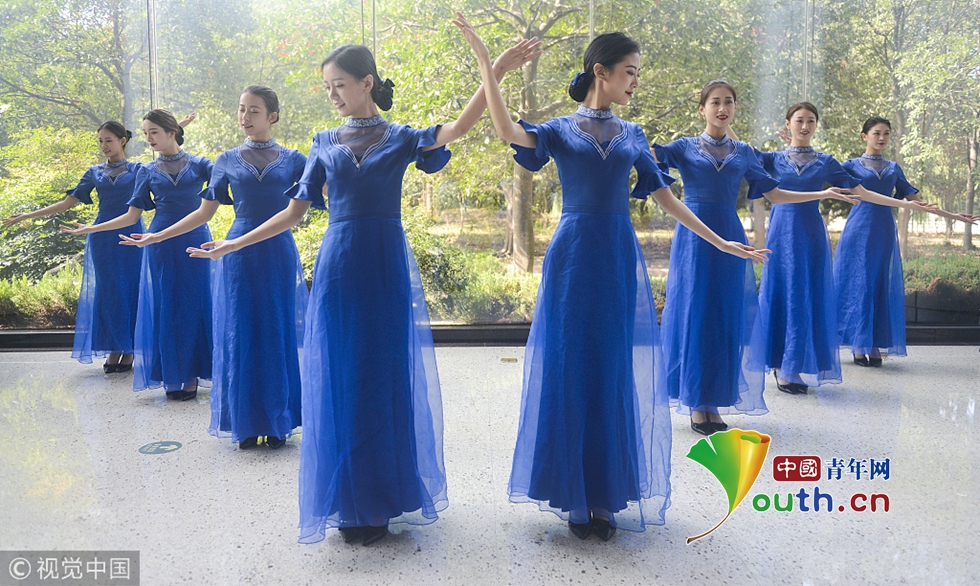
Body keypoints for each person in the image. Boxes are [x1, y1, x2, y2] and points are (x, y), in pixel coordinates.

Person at [188, 39, 542, 545]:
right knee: (342, 374)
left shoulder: (401, 137)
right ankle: (346, 498)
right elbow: (293, 213)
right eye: (327, 87)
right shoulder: (323, 141)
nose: (332, 94)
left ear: (366, 83)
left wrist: (493, 68)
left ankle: (381, 498)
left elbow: (459, 128)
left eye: (339, 85)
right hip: (338, 266)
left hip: (384, 263)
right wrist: (232, 244)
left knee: (381, 373)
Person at [455, 14, 769, 540]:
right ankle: (572, 493)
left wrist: (719, 241)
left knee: (611, 364)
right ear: (601, 72)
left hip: (618, 256)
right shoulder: (558, 129)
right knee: (571, 362)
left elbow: (664, 195)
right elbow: (507, 130)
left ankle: (603, 495)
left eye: (638, 73)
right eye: (630, 72)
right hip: (573, 254)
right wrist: (493, 65)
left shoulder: (633, 133)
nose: (635, 81)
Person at [653, 81, 854, 434]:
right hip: (694, 235)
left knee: (725, 314)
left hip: (731, 234)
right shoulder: (683, 146)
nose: (722, 108)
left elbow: (775, 194)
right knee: (695, 311)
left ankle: (714, 399)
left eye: (729, 102)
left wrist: (821, 193)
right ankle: (698, 402)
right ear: (701, 108)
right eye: (715, 102)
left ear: (734, 108)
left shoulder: (743, 151)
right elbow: (648, 159)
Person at [121, 86, 306, 449]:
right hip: (237, 255)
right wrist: (155, 237)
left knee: (276, 330)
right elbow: (203, 213)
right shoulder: (226, 159)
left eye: (253, 110)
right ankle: (245, 423)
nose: (245, 117)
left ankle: (278, 421)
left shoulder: (296, 160)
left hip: (277, 251)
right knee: (240, 333)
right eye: (241, 109)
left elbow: (313, 201)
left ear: (272, 115)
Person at [63, 109, 213, 400]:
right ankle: (172, 373)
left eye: (153, 132)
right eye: (145, 133)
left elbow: (230, 187)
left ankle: (192, 372)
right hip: (158, 243)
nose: (148, 138)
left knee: (193, 305)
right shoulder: (147, 170)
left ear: (172, 133)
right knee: (165, 306)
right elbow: (132, 216)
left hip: (194, 240)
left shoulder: (201, 164)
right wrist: (92, 228)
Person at [835, 116, 977, 366]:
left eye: (886, 133)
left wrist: (953, 215)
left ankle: (875, 345)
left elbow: (918, 202)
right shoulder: (849, 166)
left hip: (883, 232)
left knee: (880, 284)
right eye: (876, 133)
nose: (882, 138)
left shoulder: (893, 168)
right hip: (858, 231)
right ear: (864, 136)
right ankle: (858, 344)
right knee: (860, 283)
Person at [4, 122, 143, 373]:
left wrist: (175, 128)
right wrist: (27, 215)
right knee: (109, 292)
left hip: (132, 236)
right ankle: (114, 348)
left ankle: (130, 349)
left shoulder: (139, 169)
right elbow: (67, 203)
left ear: (123, 140)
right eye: (100, 141)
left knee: (130, 290)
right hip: (101, 238)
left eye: (108, 140)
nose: (103, 146)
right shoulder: (94, 172)